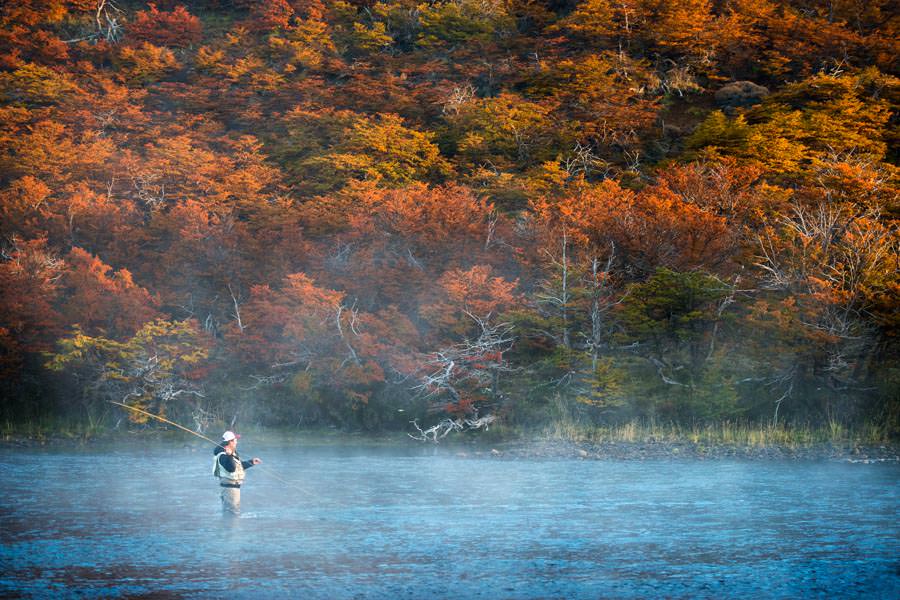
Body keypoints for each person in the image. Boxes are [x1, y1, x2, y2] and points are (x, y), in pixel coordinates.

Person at [213, 430, 261, 515]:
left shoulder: (229, 454)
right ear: (230, 442)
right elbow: (231, 468)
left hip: (233, 489)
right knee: (232, 515)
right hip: (229, 490)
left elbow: (237, 467)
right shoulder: (223, 455)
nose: (236, 442)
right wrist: (230, 455)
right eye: (235, 440)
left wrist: (251, 462)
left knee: (233, 513)